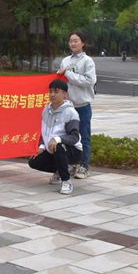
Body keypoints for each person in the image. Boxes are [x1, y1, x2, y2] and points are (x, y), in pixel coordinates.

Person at [28, 79, 82, 195]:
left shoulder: (70, 112)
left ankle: (66, 181)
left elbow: (74, 137)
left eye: (56, 92)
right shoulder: (46, 110)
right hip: (52, 149)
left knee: (59, 146)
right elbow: (44, 132)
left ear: (64, 94)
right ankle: (60, 171)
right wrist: (41, 147)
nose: (52, 94)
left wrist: (57, 139)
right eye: (50, 91)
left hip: (73, 151)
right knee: (33, 161)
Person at [58, 31, 96, 180]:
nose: (72, 43)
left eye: (76, 41)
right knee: (68, 137)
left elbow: (89, 80)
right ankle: (72, 163)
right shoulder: (65, 61)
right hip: (67, 107)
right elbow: (61, 80)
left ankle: (84, 166)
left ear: (83, 43)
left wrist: (68, 74)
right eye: (70, 41)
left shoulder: (87, 61)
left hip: (82, 106)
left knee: (84, 137)